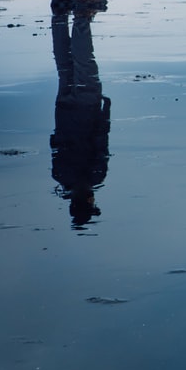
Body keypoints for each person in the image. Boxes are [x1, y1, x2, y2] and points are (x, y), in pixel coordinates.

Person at [50, 12, 111, 227]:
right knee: (63, 65)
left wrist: (107, 111)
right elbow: (55, 144)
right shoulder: (60, 177)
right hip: (64, 110)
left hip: (86, 109)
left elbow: (101, 141)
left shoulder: (95, 177)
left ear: (88, 201)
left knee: (84, 60)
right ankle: (59, 19)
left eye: (92, 204)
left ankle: (81, 18)